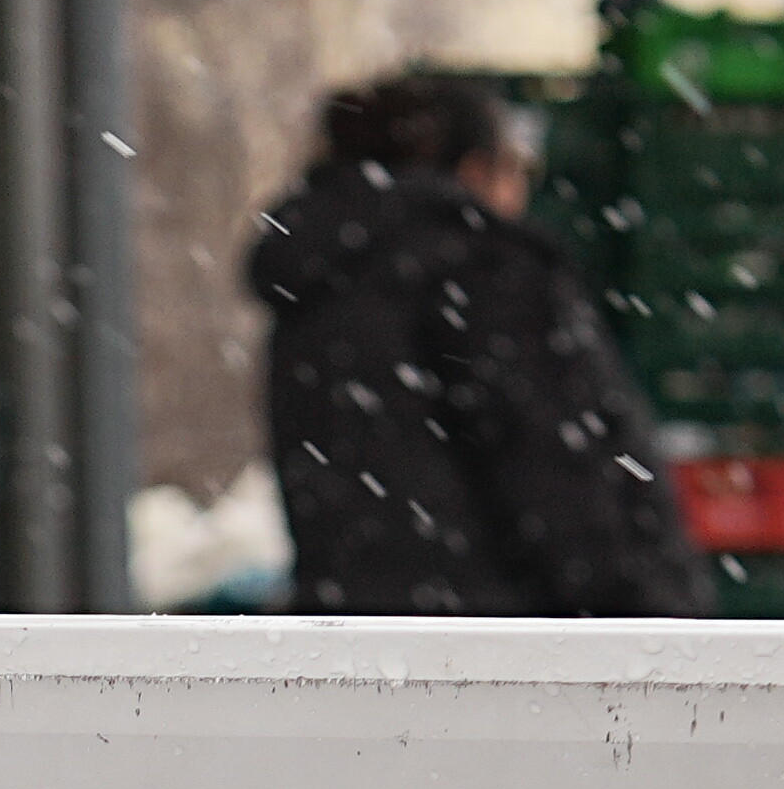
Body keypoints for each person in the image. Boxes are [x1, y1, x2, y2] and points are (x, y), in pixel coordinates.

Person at [250, 73, 710, 619]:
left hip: (356, 640)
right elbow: (560, 471)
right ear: (474, 170)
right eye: (517, 169)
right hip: (509, 653)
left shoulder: (317, 278)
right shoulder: (483, 269)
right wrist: (653, 618)